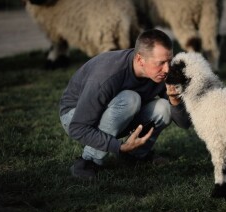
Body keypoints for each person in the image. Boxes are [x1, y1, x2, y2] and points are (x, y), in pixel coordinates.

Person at [59, 29, 191, 179]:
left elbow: (185, 124)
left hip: (122, 113)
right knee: (130, 99)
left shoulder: (161, 73)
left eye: (169, 61)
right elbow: (78, 127)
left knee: (164, 107)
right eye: (160, 63)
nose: (167, 69)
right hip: (75, 116)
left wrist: (175, 101)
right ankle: (89, 161)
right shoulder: (106, 75)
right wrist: (119, 147)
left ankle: (135, 155)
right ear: (140, 60)